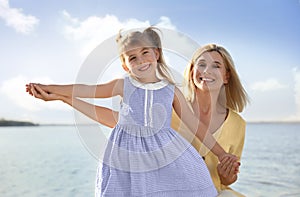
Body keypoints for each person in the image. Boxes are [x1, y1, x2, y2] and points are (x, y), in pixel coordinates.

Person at [26, 27, 238, 197]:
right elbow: (86, 90)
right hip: (124, 153)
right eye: (132, 58)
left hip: (164, 152)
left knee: (181, 185)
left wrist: (221, 154)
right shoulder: (122, 85)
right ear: (125, 65)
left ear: (156, 53)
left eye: (145, 52)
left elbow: (195, 126)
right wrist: (51, 89)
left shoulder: (171, 90)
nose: (140, 60)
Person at [172, 44, 249, 196]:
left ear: (226, 76)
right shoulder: (171, 109)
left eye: (216, 66)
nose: (206, 71)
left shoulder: (237, 124)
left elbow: (227, 181)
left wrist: (227, 175)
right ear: (192, 71)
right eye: (201, 64)